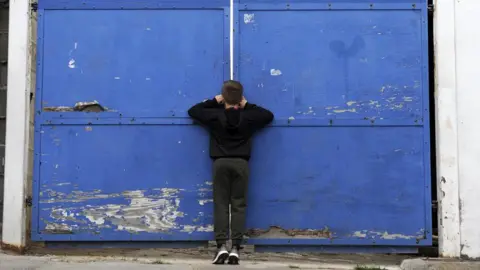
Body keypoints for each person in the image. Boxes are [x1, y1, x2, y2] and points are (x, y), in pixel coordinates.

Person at [188, 80, 274, 265]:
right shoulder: (249, 116)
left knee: (221, 203)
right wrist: (247, 105)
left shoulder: (214, 114)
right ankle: (235, 248)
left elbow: (193, 111)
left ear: (223, 96)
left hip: (220, 162)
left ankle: (221, 247)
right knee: (239, 205)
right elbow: (268, 115)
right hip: (241, 163)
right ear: (241, 97)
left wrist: (214, 101)